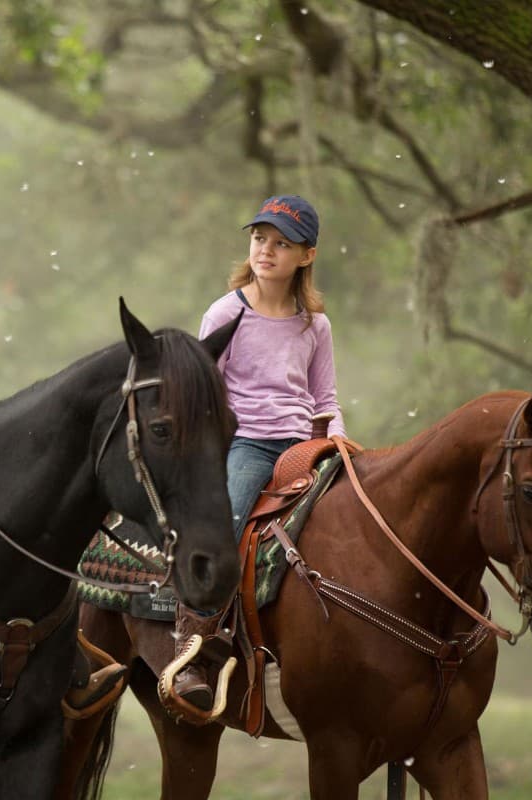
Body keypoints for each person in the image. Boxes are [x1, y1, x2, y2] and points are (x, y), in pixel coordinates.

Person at [173, 194, 346, 710]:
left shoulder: (315, 325)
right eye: (259, 239)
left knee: (352, 520)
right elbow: (205, 390)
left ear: (306, 256)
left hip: (305, 445)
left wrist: (336, 439)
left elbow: (325, 398)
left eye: (281, 243)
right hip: (247, 442)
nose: (266, 250)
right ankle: (194, 647)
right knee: (223, 524)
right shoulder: (227, 312)